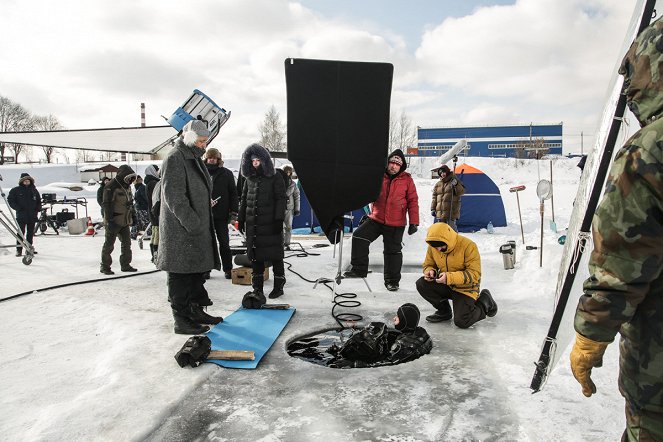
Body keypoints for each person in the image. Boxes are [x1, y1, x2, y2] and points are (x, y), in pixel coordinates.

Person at [570, 20, 663, 441]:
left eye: (635, 75)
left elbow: (622, 259)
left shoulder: (651, 150)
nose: (629, 91)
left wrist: (590, 335)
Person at [157, 120, 223, 335]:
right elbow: (174, 196)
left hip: (194, 229)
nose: (205, 145)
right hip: (182, 231)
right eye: (203, 141)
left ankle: (195, 310)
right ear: (191, 139)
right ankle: (182, 319)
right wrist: (193, 222)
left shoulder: (193, 157)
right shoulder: (176, 158)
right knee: (180, 275)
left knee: (194, 273)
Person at [343, 149, 419, 291]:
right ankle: (359, 269)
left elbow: (413, 201)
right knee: (359, 236)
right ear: (388, 163)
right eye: (392, 163)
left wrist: (414, 221)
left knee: (393, 252)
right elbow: (367, 194)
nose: (394, 166)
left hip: (396, 223)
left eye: (397, 164)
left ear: (401, 167)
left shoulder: (407, 180)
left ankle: (392, 281)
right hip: (376, 219)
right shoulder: (378, 176)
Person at [416, 222, 497, 328]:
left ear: (447, 240)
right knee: (422, 283)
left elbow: (474, 274)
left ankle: (485, 301)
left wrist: (449, 277)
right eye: (435, 247)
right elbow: (429, 264)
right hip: (446, 284)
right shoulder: (434, 247)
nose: (438, 250)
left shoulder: (468, 246)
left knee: (462, 321)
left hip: (466, 288)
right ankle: (444, 311)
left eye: (441, 246)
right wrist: (430, 271)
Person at [238, 143, 287, 307]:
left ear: (264, 161)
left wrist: (279, 220)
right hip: (255, 225)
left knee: (276, 255)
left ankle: (279, 285)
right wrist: (242, 219)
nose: (255, 163)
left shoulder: (275, 177)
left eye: (258, 160)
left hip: (271, 223)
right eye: (252, 161)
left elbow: (281, 199)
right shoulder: (249, 179)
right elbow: (244, 200)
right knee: (255, 257)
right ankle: (257, 288)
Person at [333, 303, 432, 368]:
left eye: (397, 317)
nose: (394, 319)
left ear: (405, 321)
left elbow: (390, 362)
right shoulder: (419, 332)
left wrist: (355, 364)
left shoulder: (404, 344)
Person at [204, 147, 238, 279]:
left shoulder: (227, 174)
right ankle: (206, 269)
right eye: (210, 157)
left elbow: (233, 194)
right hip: (205, 215)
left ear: (218, 159)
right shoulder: (201, 172)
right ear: (206, 158)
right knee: (207, 243)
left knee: (224, 243)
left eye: (214, 158)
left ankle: (228, 269)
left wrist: (234, 213)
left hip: (222, 215)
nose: (212, 160)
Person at [100, 165, 137, 274]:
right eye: (129, 177)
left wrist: (133, 216)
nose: (130, 180)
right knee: (109, 245)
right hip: (114, 220)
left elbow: (130, 203)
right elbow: (107, 204)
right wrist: (110, 219)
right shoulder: (111, 186)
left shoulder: (127, 186)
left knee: (127, 243)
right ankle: (105, 266)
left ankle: (125, 264)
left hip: (124, 220)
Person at [7, 173, 41, 257]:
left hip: (32, 215)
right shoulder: (15, 190)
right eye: (25, 181)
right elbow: (10, 200)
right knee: (20, 233)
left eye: (28, 181)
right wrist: (17, 208)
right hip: (21, 215)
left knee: (30, 233)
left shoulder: (34, 190)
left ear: (30, 182)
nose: (26, 182)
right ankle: (19, 250)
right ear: (22, 182)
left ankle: (29, 248)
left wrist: (37, 208)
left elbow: (38, 201)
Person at [431, 164, 465, 232]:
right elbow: (434, 198)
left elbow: (461, 192)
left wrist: (456, 184)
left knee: (452, 231)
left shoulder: (454, 180)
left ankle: (455, 242)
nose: (442, 174)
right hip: (440, 213)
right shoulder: (438, 184)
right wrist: (433, 208)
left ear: (447, 171)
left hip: (450, 212)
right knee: (441, 232)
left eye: (444, 172)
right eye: (440, 173)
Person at [143, 165, 160, 263]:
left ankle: (153, 254)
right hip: (156, 212)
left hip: (152, 211)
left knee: (154, 233)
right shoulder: (154, 183)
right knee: (157, 234)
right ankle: (156, 254)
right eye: (157, 170)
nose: (158, 172)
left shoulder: (149, 182)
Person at [281, 165, 300, 249]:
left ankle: (287, 244)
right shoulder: (278, 182)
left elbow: (297, 196)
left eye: (289, 172)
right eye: (286, 172)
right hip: (280, 208)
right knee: (280, 227)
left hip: (289, 208)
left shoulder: (293, 184)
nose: (288, 173)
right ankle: (280, 243)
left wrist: (297, 209)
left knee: (288, 227)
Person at [131, 175, 149, 240]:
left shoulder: (142, 188)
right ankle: (133, 234)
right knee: (137, 222)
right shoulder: (137, 188)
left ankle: (148, 234)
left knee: (145, 221)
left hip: (143, 208)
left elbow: (146, 198)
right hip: (138, 208)